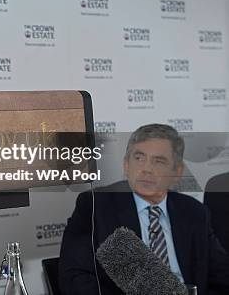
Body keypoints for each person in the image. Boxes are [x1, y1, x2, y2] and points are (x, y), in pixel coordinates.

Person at [59, 124, 229, 295]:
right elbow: (75, 278)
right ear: (126, 165)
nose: (147, 169)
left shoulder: (194, 212)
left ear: (177, 172)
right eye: (139, 158)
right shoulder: (95, 206)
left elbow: (222, 278)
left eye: (159, 161)